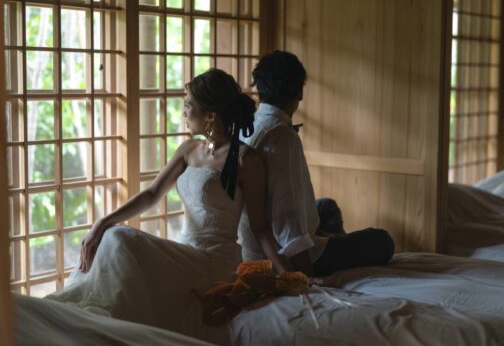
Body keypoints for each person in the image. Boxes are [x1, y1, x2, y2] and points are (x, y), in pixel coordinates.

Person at [47, 69, 288, 344]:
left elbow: (260, 228)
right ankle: (86, 322)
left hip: (215, 261)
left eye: (188, 105)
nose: (183, 112)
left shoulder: (248, 160)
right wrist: (102, 222)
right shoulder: (190, 149)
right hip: (185, 251)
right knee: (111, 237)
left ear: (210, 115)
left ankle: (106, 331)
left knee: (120, 238)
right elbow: (151, 194)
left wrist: (288, 273)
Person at [238, 50, 395, 277]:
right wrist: (304, 274)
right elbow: (287, 212)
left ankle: (333, 243)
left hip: (250, 239)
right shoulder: (281, 136)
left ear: (259, 88)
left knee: (327, 207)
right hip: (278, 252)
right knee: (382, 241)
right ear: (299, 92)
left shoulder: (250, 124)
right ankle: (333, 255)